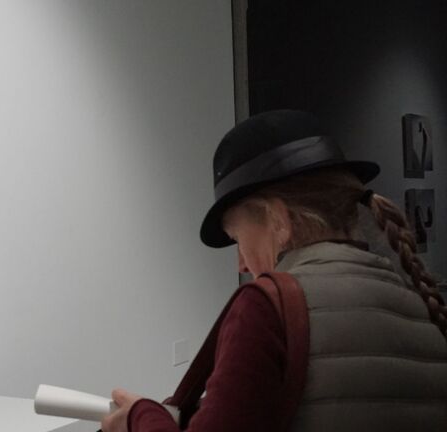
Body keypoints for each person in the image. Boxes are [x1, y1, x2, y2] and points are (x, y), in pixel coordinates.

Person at [101, 110, 447, 432]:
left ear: (278, 221)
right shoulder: (419, 304)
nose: (240, 263)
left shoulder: (267, 305)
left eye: (237, 238)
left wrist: (139, 417)